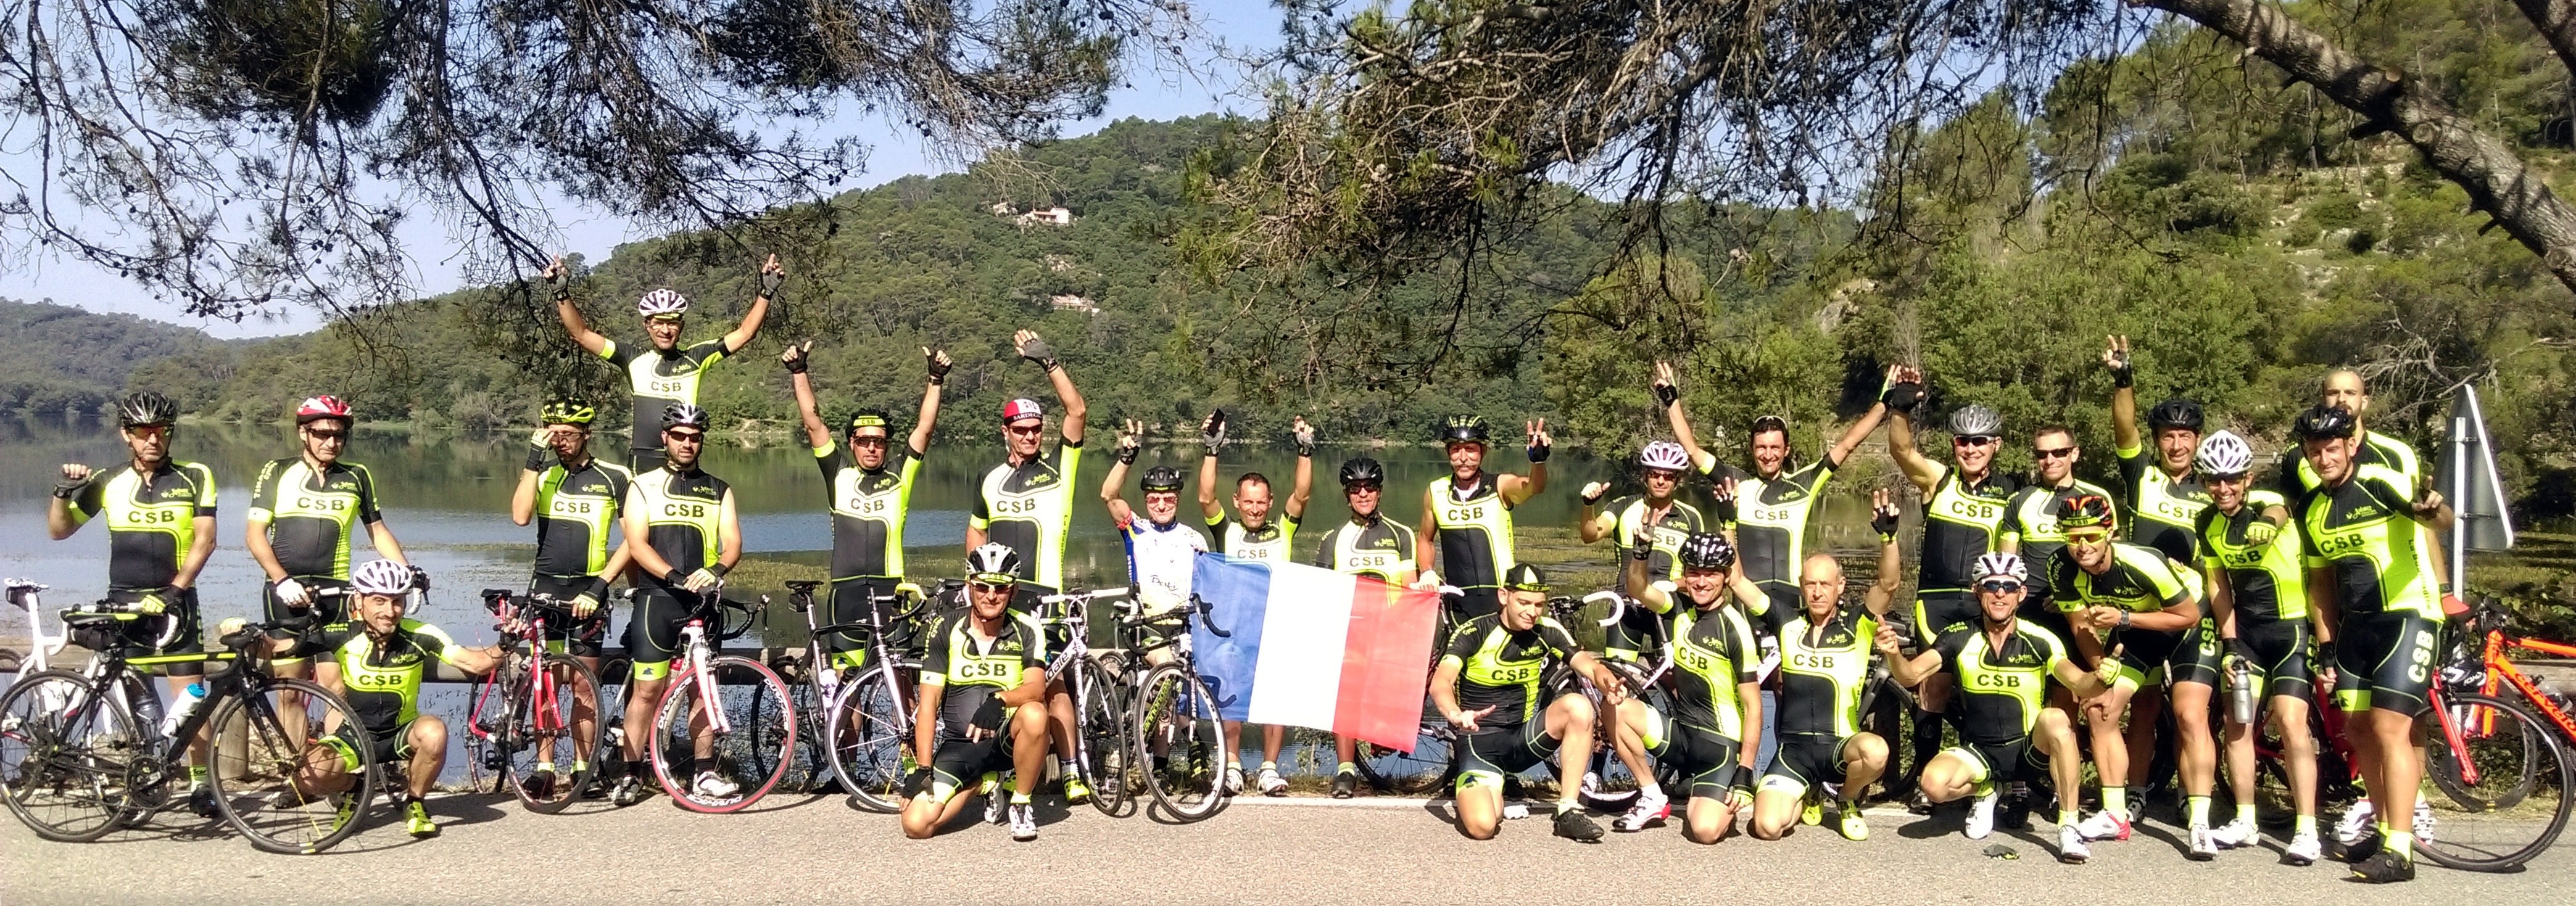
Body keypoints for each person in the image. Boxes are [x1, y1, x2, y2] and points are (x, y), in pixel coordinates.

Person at [2272, 371, 2451, 853]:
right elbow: (2320, 583)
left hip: (2407, 612)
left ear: (2350, 445)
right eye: (2314, 450)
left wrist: (2434, 509)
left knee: (2390, 726)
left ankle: (2399, 847)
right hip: (2355, 627)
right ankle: (2384, 826)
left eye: (2332, 447)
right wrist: (2326, 645)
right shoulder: (2310, 509)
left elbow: (2436, 520)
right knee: (2356, 728)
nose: (2324, 457)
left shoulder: (2380, 480)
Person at [226, 559, 504, 838]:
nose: (389, 611)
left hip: (401, 733)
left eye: (397, 602)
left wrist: (507, 642)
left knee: (434, 732)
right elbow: (280, 649)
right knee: (307, 777)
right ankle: (355, 788)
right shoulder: (343, 634)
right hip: (354, 736)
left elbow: (477, 663)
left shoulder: (422, 634)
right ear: (360, 601)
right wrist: (247, 636)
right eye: (379, 601)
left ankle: (415, 802)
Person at [1878, 552, 2118, 863]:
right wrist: (1894, 653)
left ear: (2022, 593)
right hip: (1981, 751)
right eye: (1991, 585)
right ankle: (1985, 790)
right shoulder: (1959, 635)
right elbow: (1911, 675)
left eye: (2009, 585)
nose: (2000, 593)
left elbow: (2080, 684)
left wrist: (2102, 679)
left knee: (2057, 718)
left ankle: (2068, 826)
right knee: (1933, 784)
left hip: (2028, 753)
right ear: (1978, 591)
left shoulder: (2040, 639)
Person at [47, 391, 219, 814]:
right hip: (125, 605)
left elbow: (206, 539)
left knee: (191, 697)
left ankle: (202, 785)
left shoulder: (194, 475)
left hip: (176, 603)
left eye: (161, 430)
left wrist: (175, 591)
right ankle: (146, 779)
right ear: (127, 434)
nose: (153, 439)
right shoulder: (108, 481)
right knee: (140, 701)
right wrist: (61, 493)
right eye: (143, 431)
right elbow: (59, 531)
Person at [2049, 493, 2222, 855]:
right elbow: (2080, 624)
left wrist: (2124, 619)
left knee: (2189, 715)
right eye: (2073, 537)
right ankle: (2115, 814)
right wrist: (2099, 663)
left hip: (2186, 623)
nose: (2082, 547)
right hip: (2139, 627)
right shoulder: (2059, 567)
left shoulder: (2142, 561)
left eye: (2092, 536)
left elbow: (2187, 616)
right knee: (2100, 707)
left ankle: (2201, 822)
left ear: (2109, 532)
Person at [1886, 374, 2022, 799]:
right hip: (1936, 603)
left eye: (1980, 441)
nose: (1971, 448)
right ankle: (1928, 781)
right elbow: (1901, 449)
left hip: (1987, 602)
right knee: (1933, 689)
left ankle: (2005, 777)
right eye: (1963, 441)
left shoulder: (2011, 492)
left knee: (1993, 690)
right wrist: (1901, 408)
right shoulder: (1938, 480)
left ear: (1995, 444)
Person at [2194, 430, 2325, 865]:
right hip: (2246, 634)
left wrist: (2265, 524)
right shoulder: (2206, 523)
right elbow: (2217, 588)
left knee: (2291, 723)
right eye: (2213, 480)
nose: (2223, 488)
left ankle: (2306, 829)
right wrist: (2230, 643)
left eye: (2231, 479)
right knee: (2237, 723)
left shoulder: (2267, 501)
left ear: (2247, 478)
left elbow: (2279, 509)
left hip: (2289, 630)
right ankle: (2245, 819)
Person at [246, 395, 407, 747]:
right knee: (289, 692)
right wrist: (281, 579)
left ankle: (336, 772)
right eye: (321, 434)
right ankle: (297, 772)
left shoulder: (357, 476)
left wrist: (406, 572)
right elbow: (255, 534)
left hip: (336, 595)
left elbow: (377, 531)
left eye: (338, 435)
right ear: (304, 433)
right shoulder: (277, 471)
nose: (331, 442)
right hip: (285, 594)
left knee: (337, 689)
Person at [607, 403, 742, 806]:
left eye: (694, 437)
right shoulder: (643, 485)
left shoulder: (719, 488)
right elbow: (637, 544)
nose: (687, 443)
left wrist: (716, 568)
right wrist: (673, 578)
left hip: (703, 601)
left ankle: (703, 774)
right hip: (658, 599)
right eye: (680, 435)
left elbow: (732, 542)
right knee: (647, 690)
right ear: (665, 437)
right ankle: (631, 772)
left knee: (703, 689)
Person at [784, 340, 947, 672]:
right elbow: (814, 424)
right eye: (863, 441)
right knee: (849, 683)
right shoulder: (838, 473)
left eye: (879, 441)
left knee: (901, 678)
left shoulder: (902, 474)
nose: (871, 448)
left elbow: (925, 430)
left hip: (893, 591)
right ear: (852, 444)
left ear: (886, 446)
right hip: (847, 593)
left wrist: (936, 380)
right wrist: (799, 372)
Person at [1431, 563, 1615, 841]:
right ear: (1504, 596)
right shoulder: (1474, 631)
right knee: (1483, 827)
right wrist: (1455, 714)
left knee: (1578, 706)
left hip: (1523, 739)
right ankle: (1489, 786)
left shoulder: (1547, 629)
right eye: (1524, 602)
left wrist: (1608, 682)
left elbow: (1589, 666)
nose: (1532, 612)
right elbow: (1441, 683)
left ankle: (1568, 811)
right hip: (1481, 743)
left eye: (1539, 604)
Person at [547, 253, 776, 472]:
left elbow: (746, 333)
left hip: (681, 459)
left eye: (672, 323)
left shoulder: (697, 357)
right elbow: (581, 334)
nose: (665, 330)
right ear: (647, 326)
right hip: (641, 461)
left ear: (682, 326)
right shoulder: (632, 358)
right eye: (658, 323)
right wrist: (561, 294)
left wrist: (765, 292)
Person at [1990, 422, 2115, 822]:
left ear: (2074, 454)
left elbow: (2106, 562)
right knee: (2023, 703)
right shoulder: (2021, 500)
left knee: (2069, 707)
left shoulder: (2095, 498)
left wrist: (2078, 604)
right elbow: (2006, 564)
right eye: (2042, 454)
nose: (2049, 460)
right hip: (2028, 616)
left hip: (2075, 617)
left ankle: (2069, 798)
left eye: (2058, 453)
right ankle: (2019, 784)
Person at [507, 398, 632, 796]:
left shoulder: (614, 477)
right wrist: (533, 456)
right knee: (547, 683)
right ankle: (545, 768)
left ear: (587, 435)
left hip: (588, 592)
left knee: (583, 684)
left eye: (569, 434)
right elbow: (520, 516)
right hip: (545, 589)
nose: (560, 441)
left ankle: (582, 767)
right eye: (553, 433)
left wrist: (600, 586)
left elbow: (634, 540)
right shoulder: (542, 476)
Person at [1747, 529, 1903, 842]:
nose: (1817, 592)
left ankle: (1846, 797)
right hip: (1794, 753)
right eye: (1810, 584)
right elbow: (1738, 582)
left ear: (1840, 586)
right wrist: (1727, 524)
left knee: (1876, 751)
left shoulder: (1858, 623)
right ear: (1802, 587)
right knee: (1767, 828)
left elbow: (1888, 584)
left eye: (1825, 584)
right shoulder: (1787, 620)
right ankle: (1808, 791)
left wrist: (1888, 537)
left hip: (1839, 747)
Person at [1608, 532, 1765, 842]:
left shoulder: (1734, 628)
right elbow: (1637, 589)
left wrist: (1745, 773)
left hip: (1718, 748)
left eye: (1711, 574)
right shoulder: (1678, 607)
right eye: (1694, 572)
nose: (1702, 582)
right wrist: (1641, 553)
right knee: (1616, 706)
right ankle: (1653, 796)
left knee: (1705, 831)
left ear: (1725, 576)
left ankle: (1713, 793)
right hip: (1680, 736)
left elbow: (1754, 707)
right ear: (1685, 574)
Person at [901, 544, 1054, 842]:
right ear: (970, 586)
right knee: (916, 826)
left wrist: (1001, 700)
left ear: (1014, 590)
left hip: (1006, 741)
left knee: (1036, 714)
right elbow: (929, 702)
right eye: (982, 586)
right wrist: (922, 767)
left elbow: (1036, 689)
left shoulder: (1028, 628)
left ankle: (1021, 804)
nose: (991, 596)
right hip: (959, 745)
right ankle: (982, 784)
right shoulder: (944, 627)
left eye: (1000, 588)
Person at [1198, 411, 1315, 796]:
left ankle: (1268, 768)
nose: (1254, 509)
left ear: (1269, 503)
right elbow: (1204, 497)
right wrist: (1212, 450)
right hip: (1231, 628)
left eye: (1261, 502)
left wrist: (1304, 450)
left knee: (1274, 698)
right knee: (1231, 699)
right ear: (1237, 501)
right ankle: (1232, 766)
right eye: (1248, 502)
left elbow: (1302, 494)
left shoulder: (1283, 528)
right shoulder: (1225, 529)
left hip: (1275, 624)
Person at [1311, 455, 1417, 797]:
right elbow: (1323, 593)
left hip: (1389, 631)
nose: (1363, 494)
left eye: (1369, 487)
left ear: (1380, 492)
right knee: (1345, 696)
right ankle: (1345, 770)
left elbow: (1409, 588)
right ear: (1346, 494)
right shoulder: (1333, 538)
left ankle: (1383, 740)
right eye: (1355, 488)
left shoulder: (1402, 534)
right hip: (1350, 631)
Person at [966, 329, 1088, 611]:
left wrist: (1050, 363)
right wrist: (975, 581)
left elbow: (1077, 412)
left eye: (1036, 429)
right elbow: (977, 530)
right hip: (998, 596)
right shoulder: (989, 476)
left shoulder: (1059, 468)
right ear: (1006, 432)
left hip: (1046, 597)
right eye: (1021, 430)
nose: (1030, 437)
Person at [1577, 440, 1707, 663]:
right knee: (1618, 682)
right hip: (1626, 607)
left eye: (1668, 476)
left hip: (1670, 606)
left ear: (1678, 480)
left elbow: (1703, 572)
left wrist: (1675, 584)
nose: (1660, 481)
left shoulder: (1691, 517)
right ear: (1645, 475)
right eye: (1655, 474)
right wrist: (1589, 505)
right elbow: (1591, 534)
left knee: (1676, 679)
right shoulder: (1622, 506)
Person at [1417, 415, 1549, 619]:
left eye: (1470, 449)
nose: (1463, 457)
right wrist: (1427, 571)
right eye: (1455, 450)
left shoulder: (1500, 486)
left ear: (1483, 451)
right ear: (1447, 452)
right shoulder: (1436, 491)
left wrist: (1538, 461)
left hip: (1500, 602)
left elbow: (1534, 487)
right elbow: (1425, 539)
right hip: (1457, 604)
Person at [2102, 336, 2213, 564]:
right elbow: (2124, 430)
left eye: (2184, 437)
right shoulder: (2141, 474)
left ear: (2198, 439)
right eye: (2168, 437)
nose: (2177, 447)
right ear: (2155, 439)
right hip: (2142, 592)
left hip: (2193, 593)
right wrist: (2124, 381)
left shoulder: (2213, 486)